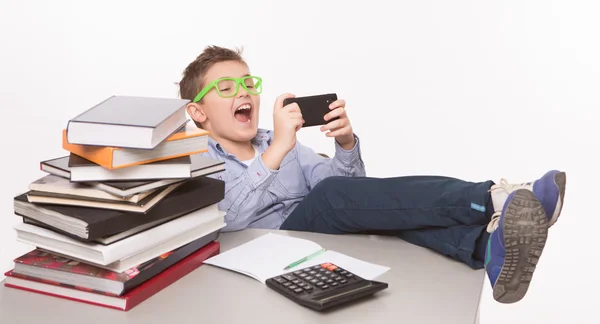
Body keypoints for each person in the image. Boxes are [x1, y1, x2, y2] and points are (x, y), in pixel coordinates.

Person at [177, 45, 567, 304]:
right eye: (226, 87)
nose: (243, 92)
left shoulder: (282, 142)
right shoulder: (194, 160)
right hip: (267, 251)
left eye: (248, 83)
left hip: (318, 240)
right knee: (330, 196)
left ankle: (488, 251)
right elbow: (228, 218)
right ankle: (492, 199)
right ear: (198, 112)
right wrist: (279, 147)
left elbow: (353, 193)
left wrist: (346, 144)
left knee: (380, 213)